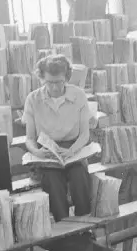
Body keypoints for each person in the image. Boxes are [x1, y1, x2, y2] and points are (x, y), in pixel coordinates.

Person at [23, 54, 92, 221]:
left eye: (59, 82)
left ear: (67, 77)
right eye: (49, 82)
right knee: (52, 180)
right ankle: (64, 226)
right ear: (42, 79)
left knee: (79, 176)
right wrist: (37, 153)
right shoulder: (33, 99)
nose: (54, 87)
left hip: (73, 148)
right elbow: (29, 138)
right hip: (47, 150)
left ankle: (85, 223)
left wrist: (72, 150)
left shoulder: (79, 96)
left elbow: (84, 134)